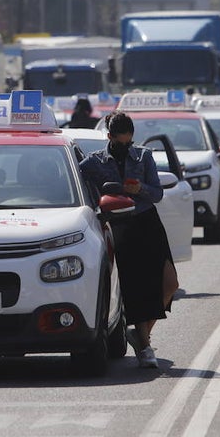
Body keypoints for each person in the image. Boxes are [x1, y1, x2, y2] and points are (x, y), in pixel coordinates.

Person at [78, 111, 178, 369]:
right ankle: (145, 347)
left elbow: (156, 193)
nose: (125, 147)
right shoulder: (93, 163)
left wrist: (140, 189)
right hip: (119, 227)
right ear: (110, 137)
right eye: (120, 142)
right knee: (135, 288)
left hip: (147, 222)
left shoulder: (144, 156)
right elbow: (76, 187)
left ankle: (140, 335)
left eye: (129, 142)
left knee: (169, 283)